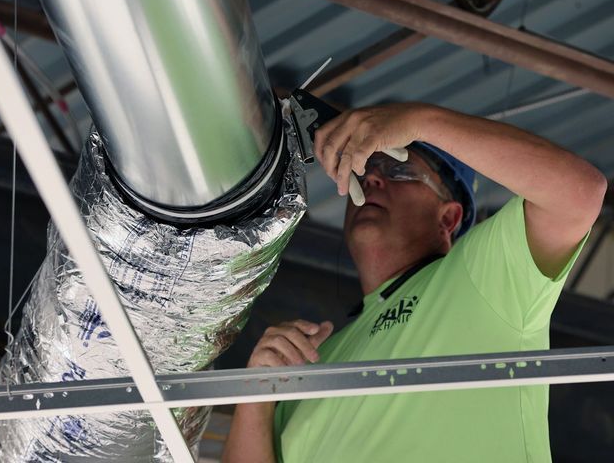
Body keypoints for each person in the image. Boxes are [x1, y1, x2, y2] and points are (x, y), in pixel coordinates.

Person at [222, 102, 607, 463]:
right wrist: (257, 395)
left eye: (400, 168)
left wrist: (420, 121)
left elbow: (579, 194)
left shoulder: (479, 280)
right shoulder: (314, 358)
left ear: (449, 219)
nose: (372, 177)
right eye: (365, 170)